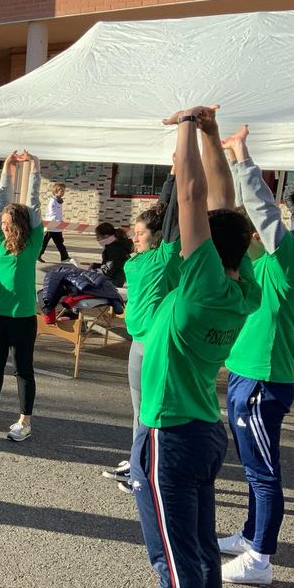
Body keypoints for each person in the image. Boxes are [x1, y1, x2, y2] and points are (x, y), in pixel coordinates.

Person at [120, 106, 260, 588]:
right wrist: (208, 136)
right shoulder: (242, 290)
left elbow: (193, 191)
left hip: (172, 431)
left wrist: (186, 131)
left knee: (173, 556)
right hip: (202, 428)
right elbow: (220, 207)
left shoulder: (201, 282)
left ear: (206, 250)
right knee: (199, 549)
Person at [217, 126, 294, 586]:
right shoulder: (266, 261)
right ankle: (250, 534)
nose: (277, 229)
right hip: (244, 374)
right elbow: (239, 217)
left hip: (264, 380)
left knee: (263, 470)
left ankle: (260, 558)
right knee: (254, 466)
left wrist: (242, 158)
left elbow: (261, 212)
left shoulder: (293, 261)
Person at [101, 174, 180, 493]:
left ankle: (147, 469)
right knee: (139, 410)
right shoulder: (141, 259)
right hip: (138, 345)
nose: (134, 238)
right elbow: (163, 207)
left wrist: (179, 176)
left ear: (158, 237)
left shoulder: (166, 257)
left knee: (153, 411)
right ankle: (139, 462)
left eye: (140, 234)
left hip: (157, 347)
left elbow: (173, 214)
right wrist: (171, 175)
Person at [0, 150, 43, 442]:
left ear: (20, 224)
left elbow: (33, 202)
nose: (2, 226)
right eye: (1, 223)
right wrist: (6, 167)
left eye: (7, 223)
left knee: (23, 370)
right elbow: (2, 198)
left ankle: (24, 421)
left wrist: (34, 166)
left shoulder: (32, 243)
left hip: (23, 317)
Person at [91, 222, 134, 287]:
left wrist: (94, 271)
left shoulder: (115, 249)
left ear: (106, 236)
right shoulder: (116, 246)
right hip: (115, 278)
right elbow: (111, 265)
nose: (97, 239)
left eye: (98, 237)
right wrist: (96, 266)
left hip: (114, 281)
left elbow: (109, 271)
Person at [38, 182, 70, 262]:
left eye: (64, 190)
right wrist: (58, 221)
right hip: (51, 227)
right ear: (56, 191)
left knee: (60, 243)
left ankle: (64, 257)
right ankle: (37, 256)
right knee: (43, 244)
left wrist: (60, 222)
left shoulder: (59, 201)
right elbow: (52, 213)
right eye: (62, 190)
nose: (63, 192)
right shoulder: (53, 201)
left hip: (57, 227)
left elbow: (58, 213)